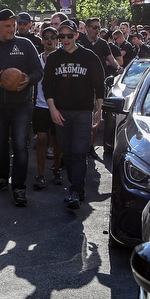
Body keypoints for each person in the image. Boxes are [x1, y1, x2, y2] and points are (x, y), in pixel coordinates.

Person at [0, 7, 44, 207]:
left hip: (21, 105)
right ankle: (1, 177)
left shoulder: (25, 44)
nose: (12, 29)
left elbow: (38, 71)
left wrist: (28, 79)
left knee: (20, 146)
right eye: (7, 26)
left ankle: (19, 187)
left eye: (13, 25)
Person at [43, 21, 105, 210]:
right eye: (61, 37)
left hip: (82, 111)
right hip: (61, 111)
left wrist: (98, 110)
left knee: (79, 151)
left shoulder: (88, 56)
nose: (65, 40)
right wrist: (52, 109)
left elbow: (99, 85)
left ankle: (76, 190)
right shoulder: (54, 58)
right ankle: (76, 186)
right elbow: (47, 86)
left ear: (77, 36)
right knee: (67, 152)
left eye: (69, 36)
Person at [31, 25, 63, 190]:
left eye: (53, 37)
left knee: (57, 140)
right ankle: (40, 173)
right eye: (46, 37)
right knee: (42, 138)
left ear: (57, 40)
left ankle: (57, 169)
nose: (49, 40)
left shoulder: (62, 58)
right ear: (42, 40)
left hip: (58, 106)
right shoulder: (37, 59)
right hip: (41, 105)